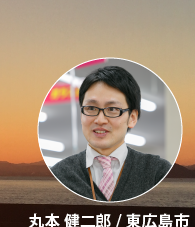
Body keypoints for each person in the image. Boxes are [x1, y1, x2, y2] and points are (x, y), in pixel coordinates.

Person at [50, 66, 172, 202]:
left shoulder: (158, 172)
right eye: (91, 108)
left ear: (132, 118)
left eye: (112, 109)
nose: (100, 120)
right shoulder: (59, 174)